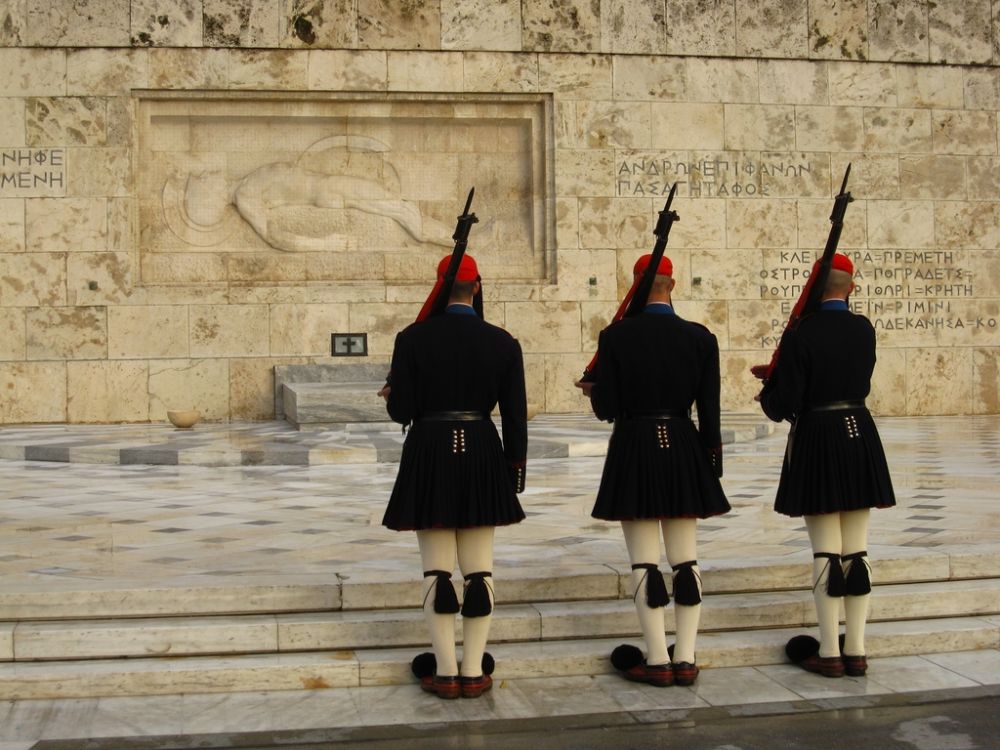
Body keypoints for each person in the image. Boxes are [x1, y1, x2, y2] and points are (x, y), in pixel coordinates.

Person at [579, 253, 730, 687]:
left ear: (636, 286)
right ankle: (686, 656)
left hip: (635, 444)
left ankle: (658, 659)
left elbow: (607, 408)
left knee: (644, 562)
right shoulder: (700, 338)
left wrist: (594, 392)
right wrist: (710, 458)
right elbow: (710, 408)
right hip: (683, 442)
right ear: (673, 284)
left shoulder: (616, 336)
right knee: (686, 559)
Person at [382, 253, 527, 699]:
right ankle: (473, 669)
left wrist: (392, 396)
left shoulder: (413, 338)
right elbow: (516, 416)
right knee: (479, 570)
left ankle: (444, 671)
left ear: (439, 288)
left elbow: (401, 411)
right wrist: (513, 468)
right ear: (477, 288)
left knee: (438, 572)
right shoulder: (503, 342)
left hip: (429, 449)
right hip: (482, 448)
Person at [759, 253, 896, 678]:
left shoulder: (803, 333)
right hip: (859, 430)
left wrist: (770, 388)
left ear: (814, 289)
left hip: (819, 432)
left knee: (825, 550)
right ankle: (856, 650)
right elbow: (860, 376)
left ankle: (829, 652)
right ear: (850, 287)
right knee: (857, 548)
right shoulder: (863, 328)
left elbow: (786, 403)